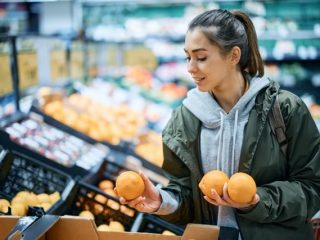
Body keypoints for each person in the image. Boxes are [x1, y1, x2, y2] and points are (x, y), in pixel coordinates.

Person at [117, 9, 320, 240]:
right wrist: (161, 201)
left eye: (201, 57)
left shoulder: (285, 110)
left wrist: (257, 200)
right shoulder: (183, 119)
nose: (191, 68)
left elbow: (313, 188)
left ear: (234, 55)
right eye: (188, 57)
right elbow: (187, 198)